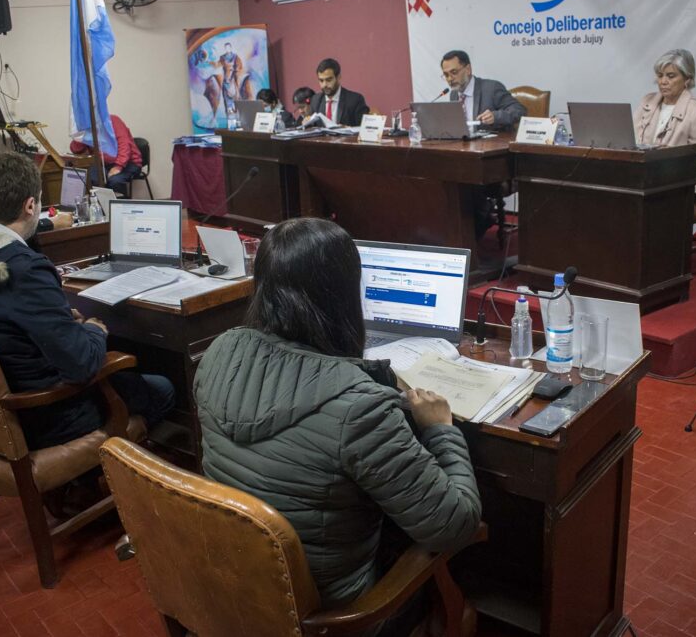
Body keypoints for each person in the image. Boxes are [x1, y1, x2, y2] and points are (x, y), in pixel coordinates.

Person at [193, 217, 481, 615]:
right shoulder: (359, 407)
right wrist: (440, 429)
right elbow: (455, 526)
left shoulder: (221, 352)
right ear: (345, 293)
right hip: (330, 614)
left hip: (238, 585)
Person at [0, 151, 174, 450]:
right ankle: (117, 477)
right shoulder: (23, 268)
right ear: (30, 206)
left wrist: (60, 319)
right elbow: (80, 366)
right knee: (162, 388)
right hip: (43, 416)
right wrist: (93, 330)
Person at [633, 49, 696, 167]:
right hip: (641, 171)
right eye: (660, 76)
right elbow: (631, 140)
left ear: (687, 79)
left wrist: (673, 165)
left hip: (675, 178)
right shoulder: (646, 102)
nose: (663, 81)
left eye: (671, 76)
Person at [439, 50, 524, 130]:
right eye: (446, 75)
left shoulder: (491, 88)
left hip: (491, 143)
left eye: (454, 72)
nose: (450, 79)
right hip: (463, 143)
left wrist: (496, 116)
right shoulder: (454, 94)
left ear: (468, 69)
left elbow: (519, 110)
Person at [69, 114, 142, 197]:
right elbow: (76, 150)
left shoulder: (113, 121)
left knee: (115, 181)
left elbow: (124, 145)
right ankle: (102, 207)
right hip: (103, 163)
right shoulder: (88, 127)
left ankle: (121, 208)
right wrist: (80, 135)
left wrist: (118, 166)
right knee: (92, 179)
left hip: (128, 162)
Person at [308, 58, 370, 126]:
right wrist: (307, 123)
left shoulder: (355, 100)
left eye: (329, 80)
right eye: (321, 80)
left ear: (338, 77)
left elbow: (364, 129)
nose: (324, 85)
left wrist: (348, 129)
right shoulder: (315, 100)